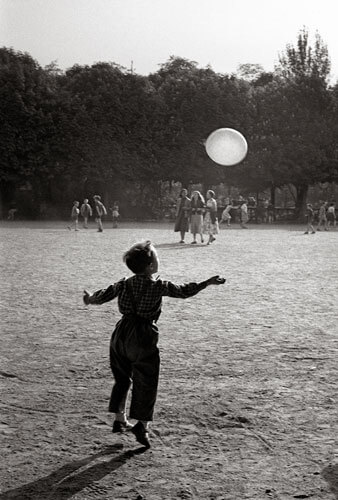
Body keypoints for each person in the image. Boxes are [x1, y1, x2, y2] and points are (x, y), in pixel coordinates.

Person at [83, 240, 225, 448]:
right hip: (143, 336)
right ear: (150, 266)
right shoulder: (159, 286)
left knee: (122, 378)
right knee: (146, 381)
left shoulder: (123, 283)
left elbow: (103, 295)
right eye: (156, 257)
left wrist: (89, 299)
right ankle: (142, 425)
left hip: (120, 333)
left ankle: (119, 418)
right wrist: (206, 283)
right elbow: (184, 291)